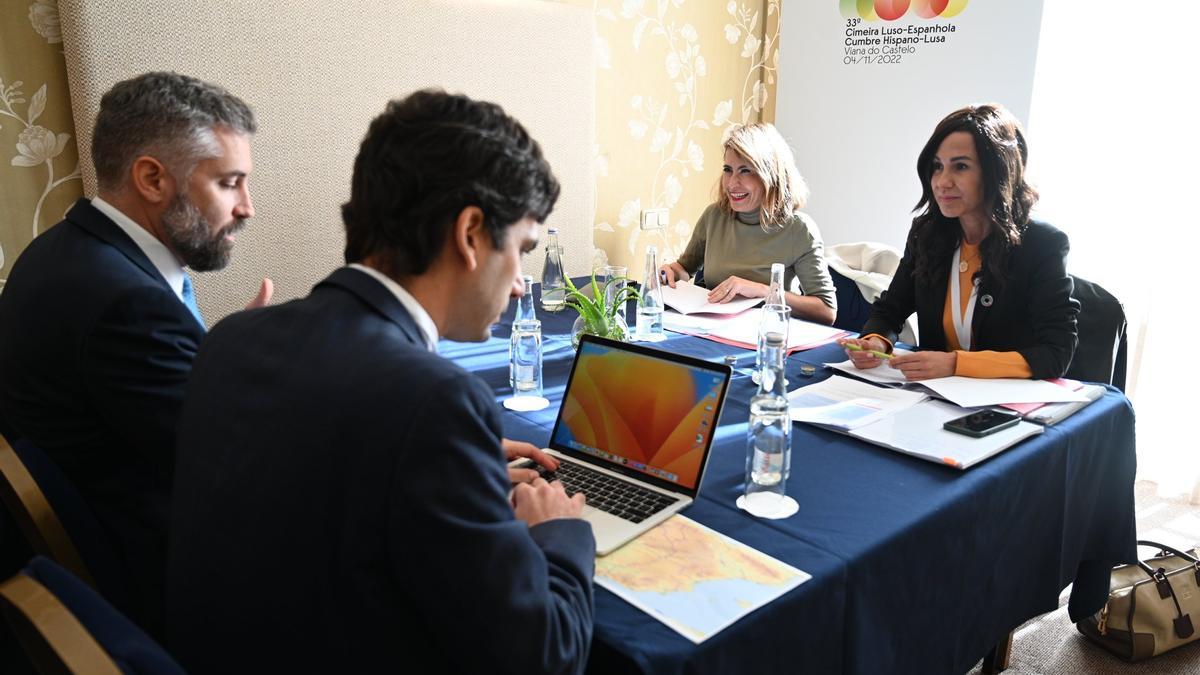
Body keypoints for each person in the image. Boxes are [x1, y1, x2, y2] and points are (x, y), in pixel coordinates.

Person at [166, 90, 595, 674]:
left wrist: (455, 470)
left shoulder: (232, 340)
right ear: (470, 233)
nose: (521, 282)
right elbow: (544, 658)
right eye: (520, 249)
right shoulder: (434, 402)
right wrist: (561, 536)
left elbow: (322, 466)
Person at [0, 71, 269, 634]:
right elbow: (236, 471)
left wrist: (218, 360)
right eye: (230, 183)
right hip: (174, 582)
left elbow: (150, 399)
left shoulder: (65, 252)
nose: (248, 207)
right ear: (152, 178)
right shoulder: (127, 305)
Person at [842, 103, 1079, 381]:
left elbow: (1056, 352)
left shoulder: (1042, 244)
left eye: (961, 167)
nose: (942, 182)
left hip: (1002, 405)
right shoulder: (927, 234)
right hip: (932, 397)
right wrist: (876, 341)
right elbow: (890, 310)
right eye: (937, 167)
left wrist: (957, 364)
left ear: (998, 171)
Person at [659, 122, 837, 324]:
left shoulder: (799, 230)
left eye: (745, 171)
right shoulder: (714, 216)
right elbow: (684, 269)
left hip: (768, 337)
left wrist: (762, 291)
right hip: (710, 329)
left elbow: (827, 311)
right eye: (728, 169)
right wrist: (670, 274)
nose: (732, 183)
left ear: (771, 175)